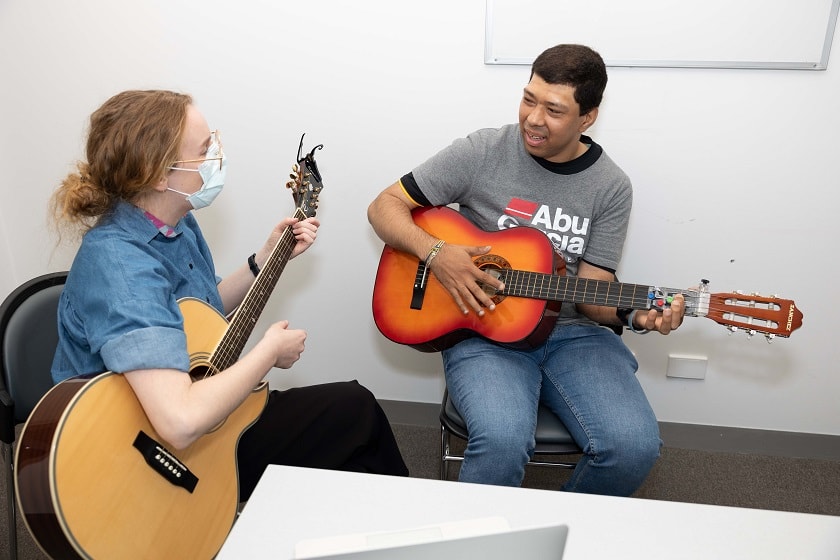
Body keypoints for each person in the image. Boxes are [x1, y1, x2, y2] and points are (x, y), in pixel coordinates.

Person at [51, 89, 408, 501]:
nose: (216, 157)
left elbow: (199, 314)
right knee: (355, 415)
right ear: (158, 175)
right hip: (143, 459)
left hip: (186, 415)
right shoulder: (120, 264)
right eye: (204, 150)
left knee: (350, 412)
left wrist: (264, 259)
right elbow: (179, 420)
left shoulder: (175, 220)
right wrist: (268, 355)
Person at [367, 44, 685, 496]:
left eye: (554, 110)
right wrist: (437, 252)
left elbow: (594, 292)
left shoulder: (611, 187)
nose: (533, 119)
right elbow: (384, 206)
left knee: (633, 448)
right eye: (528, 99)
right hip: (483, 328)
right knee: (500, 439)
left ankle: (553, 534)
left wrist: (635, 315)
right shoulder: (483, 150)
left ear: (587, 117)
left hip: (572, 333)